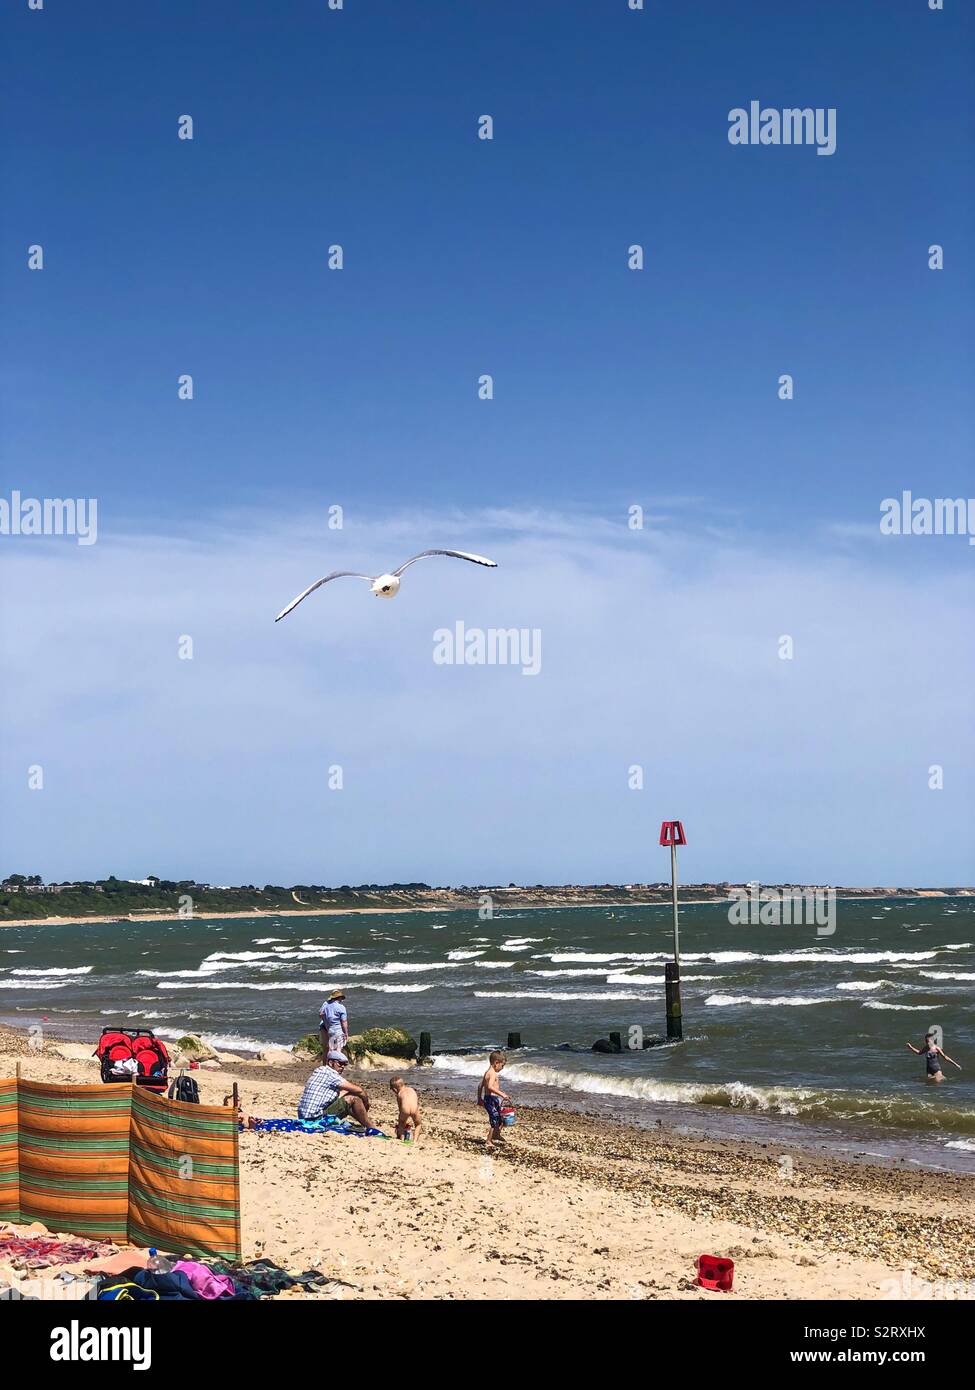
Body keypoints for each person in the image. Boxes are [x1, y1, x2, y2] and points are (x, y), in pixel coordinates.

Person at [298, 1050, 379, 1128]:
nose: (342, 1066)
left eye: (344, 1064)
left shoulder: (320, 1071)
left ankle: (363, 1120)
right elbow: (359, 1090)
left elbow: (343, 1092)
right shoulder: (332, 1075)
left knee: (347, 1095)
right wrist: (366, 1102)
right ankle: (371, 1127)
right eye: (340, 1063)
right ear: (331, 1063)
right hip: (316, 1118)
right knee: (354, 1098)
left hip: (304, 1116)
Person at [476, 1050, 510, 1147]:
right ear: (496, 1063)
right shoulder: (492, 1073)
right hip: (490, 1099)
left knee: (501, 1117)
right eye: (502, 1066)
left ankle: (496, 1134)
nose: (502, 1068)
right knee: (494, 1119)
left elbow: (480, 1086)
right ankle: (488, 1141)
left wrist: (479, 1099)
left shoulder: (487, 1072)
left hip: (492, 1099)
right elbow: (490, 1087)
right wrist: (502, 1094)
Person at [389, 1077, 423, 1143]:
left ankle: (402, 1139)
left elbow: (400, 1108)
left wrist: (404, 1119)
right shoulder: (412, 1090)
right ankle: (415, 1141)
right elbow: (415, 1102)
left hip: (405, 1110)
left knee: (401, 1123)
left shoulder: (399, 1094)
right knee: (418, 1124)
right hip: (414, 1109)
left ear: (395, 1089)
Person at [319, 989, 349, 1056]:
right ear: (339, 998)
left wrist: (327, 1025)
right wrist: (346, 1033)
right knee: (338, 1050)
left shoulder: (327, 1006)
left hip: (330, 1030)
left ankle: (330, 1064)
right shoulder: (341, 1007)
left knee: (331, 1049)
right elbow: (344, 1022)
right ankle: (335, 1065)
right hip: (338, 1030)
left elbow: (321, 1015)